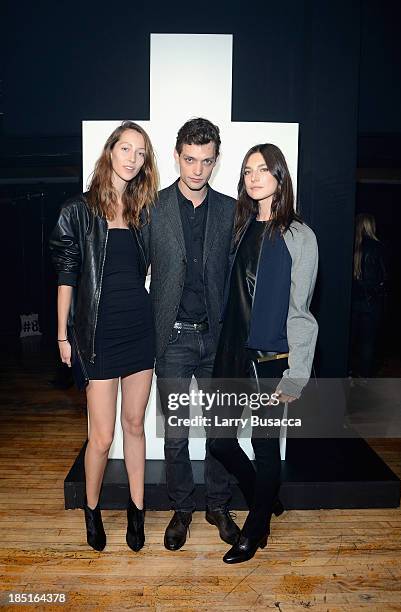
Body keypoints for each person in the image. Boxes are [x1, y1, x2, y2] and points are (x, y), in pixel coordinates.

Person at [49, 121, 159, 552]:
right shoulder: (78, 210)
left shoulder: (142, 212)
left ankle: (136, 512)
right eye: (126, 148)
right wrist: (62, 335)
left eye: (140, 152)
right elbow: (66, 276)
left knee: (135, 425)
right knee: (101, 437)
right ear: (110, 151)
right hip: (96, 335)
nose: (132, 158)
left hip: (138, 330)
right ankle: (91, 511)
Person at [208, 143, 318, 564]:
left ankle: (254, 532)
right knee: (220, 443)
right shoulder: (240, 227)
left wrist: (296, 374)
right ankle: (263, 496)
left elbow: (302, 311)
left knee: (265, 446)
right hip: (232, 355)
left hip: (271, 361)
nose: (254, 177)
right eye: (248, 171)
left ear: (279, 177)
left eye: (263, 170)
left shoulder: (299, 236)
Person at [142, 117, 240, 550]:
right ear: (177, 155)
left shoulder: (230, 209)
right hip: (174, 340)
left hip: (217, 339)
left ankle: (218, 504)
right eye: (189, 159)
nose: (197, 169)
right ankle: (181, 508)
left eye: (206, 161)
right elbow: (132, 270)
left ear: (215, 161)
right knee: (177, 433)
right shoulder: (153, 208)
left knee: (222, 430)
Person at [350, 213, 386, 377]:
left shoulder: (351, 245)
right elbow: (384, 277)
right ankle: (364, 377)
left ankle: (349, 372)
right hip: (371, 303)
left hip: (352, 302)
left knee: (351, 341)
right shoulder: (377, 247)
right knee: (367, 343)